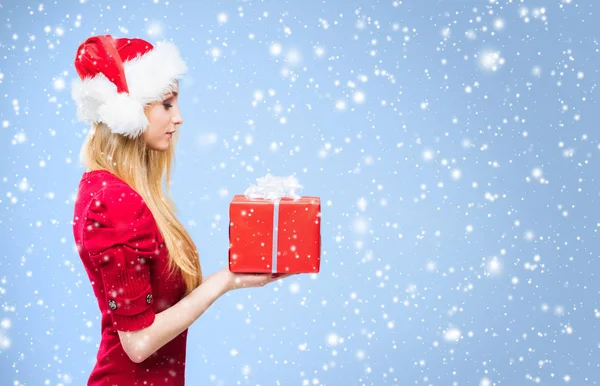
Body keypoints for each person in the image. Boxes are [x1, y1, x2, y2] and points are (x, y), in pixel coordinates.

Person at [71, 35, 292, 385]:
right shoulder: (113, 202)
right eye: (167, 104)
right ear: (130, 113)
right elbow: (139, 343)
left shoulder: (110, 190)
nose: (179, 118)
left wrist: (234, 278)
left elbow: (154, 311)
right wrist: (223, 281)